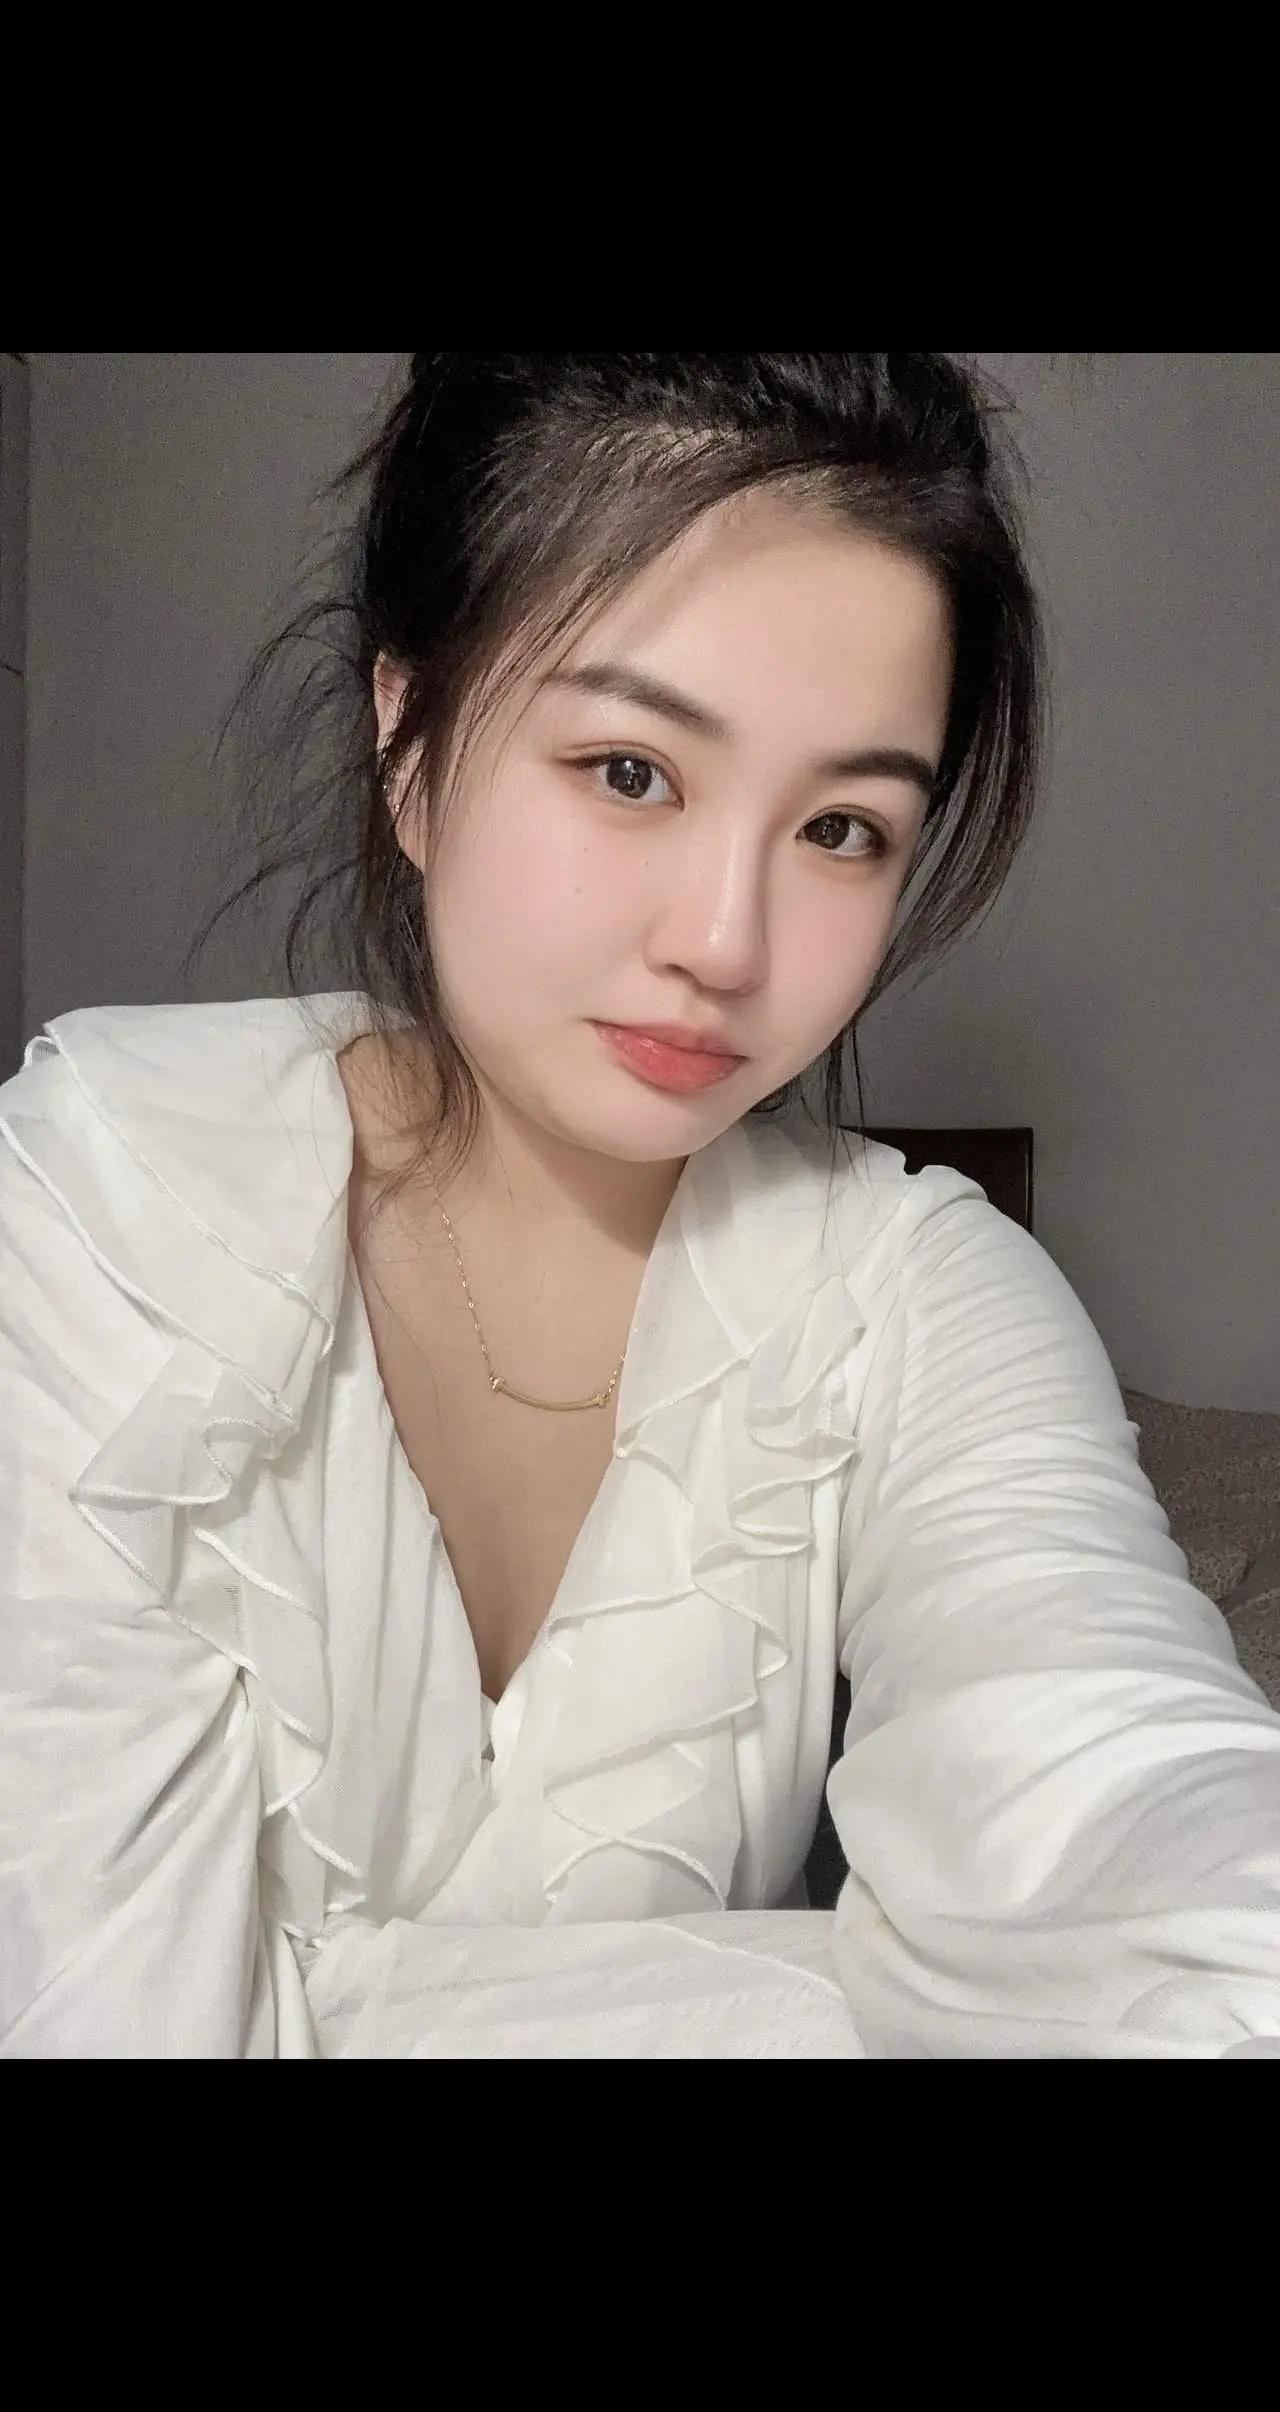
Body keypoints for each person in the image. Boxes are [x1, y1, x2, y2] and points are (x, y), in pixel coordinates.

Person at [2, 352, 1278, 2059]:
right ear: (409, 742)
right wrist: (853, 1997)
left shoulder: (913, 1285)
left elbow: (1125, 1803)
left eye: (842, 827)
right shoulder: (100, 1193)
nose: (728, 944)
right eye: (629, 772)